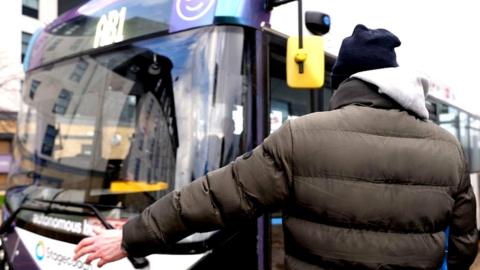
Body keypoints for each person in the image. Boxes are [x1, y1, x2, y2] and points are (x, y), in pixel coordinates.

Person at [74, 24, 478, 269]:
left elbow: (213, 196)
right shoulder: (448, 149)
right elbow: (462, 244)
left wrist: (131, 238)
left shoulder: (301, 135)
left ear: (344, 82)